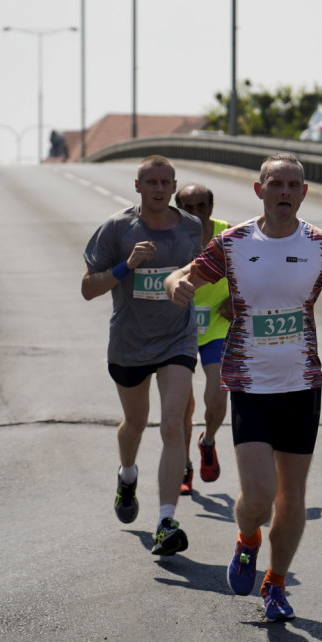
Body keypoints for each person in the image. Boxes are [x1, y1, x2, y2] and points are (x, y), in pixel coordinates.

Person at [165, 153, 322, 621]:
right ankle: (247, 541)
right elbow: (180, 275)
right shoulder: (233, 243)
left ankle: (276, 583)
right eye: (276, 184)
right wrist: (175, 287)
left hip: (302, 383)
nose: (285, 192)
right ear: (259, 190)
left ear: (303, 193)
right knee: (260, 495)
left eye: (293, 185)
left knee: (292, 496)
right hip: (249, 382)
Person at [81, 155, 204, 556]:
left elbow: (198, 273)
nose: (158, 188)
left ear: (173, 187)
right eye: (150, 182)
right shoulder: (117, 228)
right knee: (135, 423)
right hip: (130, 344)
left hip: (177, 340)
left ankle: (166, 521)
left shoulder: (190, 228)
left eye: (165, 182)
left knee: (173, 424)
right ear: (138, 187)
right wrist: (125, 267)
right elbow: (87, 288)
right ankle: (127, 475)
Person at [174, 183, 229, 496]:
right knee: (182, 403)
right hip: (179, 327)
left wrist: (238, 299)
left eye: (201, 206)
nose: (196, 213)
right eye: (188, 208)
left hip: (217, 326)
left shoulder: (229, 235)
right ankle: (183, 465)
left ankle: (207, 441)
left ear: (211, 206)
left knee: (217, 396)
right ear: (178, 209)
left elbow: (253, 273)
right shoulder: (169, 237)